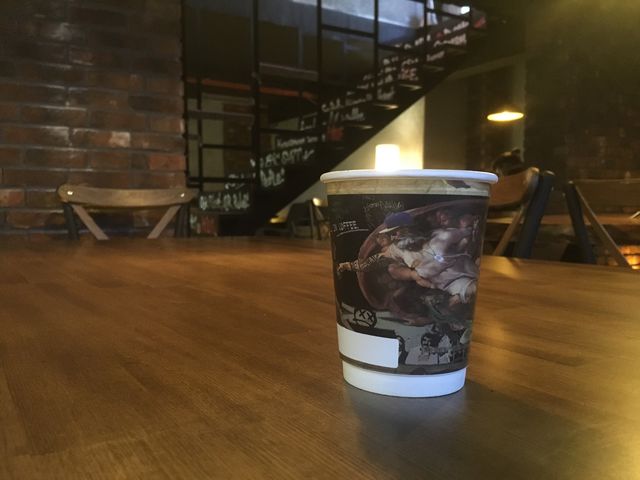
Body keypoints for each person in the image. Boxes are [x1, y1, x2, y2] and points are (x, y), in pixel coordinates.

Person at [337, 210, 479, 306]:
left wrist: (467, 240)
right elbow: (371, 263)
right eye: (393, 233)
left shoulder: (440, 234)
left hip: (463, 267)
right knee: (470, 291)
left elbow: (467, 235)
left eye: (400, 231)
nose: (397, 235)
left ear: (410, 227)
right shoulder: (395, 250)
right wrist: (349, 266)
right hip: (449, 283)